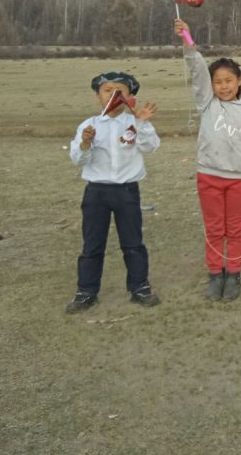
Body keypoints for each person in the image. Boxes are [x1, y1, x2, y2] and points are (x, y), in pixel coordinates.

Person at [175, 19, 241, 301]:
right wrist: (187, 38)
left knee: (235, 229)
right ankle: (216, 274)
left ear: (239, 81)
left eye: (229, 81)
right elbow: (197, 70)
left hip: (239, 181)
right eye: (218, 82)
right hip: (209, 178)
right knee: (215, 229)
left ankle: (234, 274)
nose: (224, 86)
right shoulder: (207, 104)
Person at [66, 71, 161, 312]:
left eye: (120, 92)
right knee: (92, 244)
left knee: (133, 243)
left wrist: (143, 123)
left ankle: (139, 287)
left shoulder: (134, 122)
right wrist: (85, 143)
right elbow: (77, 159)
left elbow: (151, 147)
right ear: (97, 95)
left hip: (127, 191)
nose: (113, 96)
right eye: (107, 91)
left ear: (129, 97)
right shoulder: (89, 125)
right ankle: (86, 291)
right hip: (96, 192)